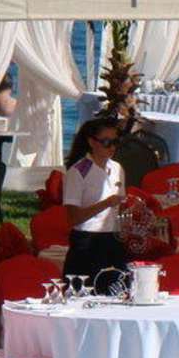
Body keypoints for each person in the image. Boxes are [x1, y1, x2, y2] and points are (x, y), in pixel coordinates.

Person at [62, 119, 127, 291]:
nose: (111, 147)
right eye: (106, 142)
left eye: (115, 142)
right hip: (87, 241)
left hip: (113, 239)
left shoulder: (117, 168)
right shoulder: (78, 171)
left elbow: (119, 207)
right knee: (84, 294)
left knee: (117, 292)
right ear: (91, 142)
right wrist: (105, 203)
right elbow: (73, 218)